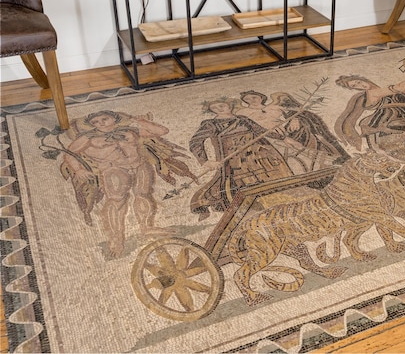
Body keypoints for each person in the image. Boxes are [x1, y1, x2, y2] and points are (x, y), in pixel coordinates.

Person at [62, 110, 196, 259]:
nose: (100, 123)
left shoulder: (129, 131)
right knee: (117, 202)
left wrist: (141, 121)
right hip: (113, 169)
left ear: (115, 119)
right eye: (95, 122)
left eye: (105, 118)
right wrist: (78, 170)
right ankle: (117, 239)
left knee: (144, 195)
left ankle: (147, 227)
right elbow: (69, 153)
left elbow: (162, 131)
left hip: (139, 165)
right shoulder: (88, 138)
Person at [188, 98, 294, 219]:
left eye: (221, 105)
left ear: (229, 105)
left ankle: (278, 203)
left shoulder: (243, 120)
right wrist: (206, 161)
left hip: (256, 156)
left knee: (270, 176)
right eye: (214, 108)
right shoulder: (211, 124)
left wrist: (282, 138)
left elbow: (260, 131)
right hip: (234, 161)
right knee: (237, 184)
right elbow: (195, 142)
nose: (219, 109)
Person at [237, 90, 351, 172]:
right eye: (247, 99)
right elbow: (251, 127)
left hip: (285, 130)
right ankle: (317, 162)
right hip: (267, 136)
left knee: (304, 123)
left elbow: (293, 113)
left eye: (254, 97)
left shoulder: (274, 107)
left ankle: (331, 155)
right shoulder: (243, 112)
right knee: (296, 138)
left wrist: (295, 119)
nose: (251, 101)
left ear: (261, 97)